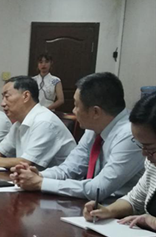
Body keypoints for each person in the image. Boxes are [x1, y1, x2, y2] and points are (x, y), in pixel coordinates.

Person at [11, 72, 144, 200]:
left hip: (119, 210)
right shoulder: (94, 128)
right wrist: (37, 175)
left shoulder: (130, 135)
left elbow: (98, 189)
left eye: (76, 105)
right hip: (93, 205)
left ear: (95, 112)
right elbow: (69, 169)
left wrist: (40, 183)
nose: (73, 111)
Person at [83, 92, 156, 231]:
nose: (144, 154)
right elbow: (134, 200)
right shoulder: (153, 165)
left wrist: (152, 220)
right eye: (141, 145)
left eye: (150, 148)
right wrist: (107, 211)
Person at [0, 76, 76, 170]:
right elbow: (0, 151)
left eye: (7, 97)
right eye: (2, 98)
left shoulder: (44, 122)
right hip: (33, 180)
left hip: (58, 182)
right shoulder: (19, 124)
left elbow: (26, 163)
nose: (2, 104)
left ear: (26, 96)